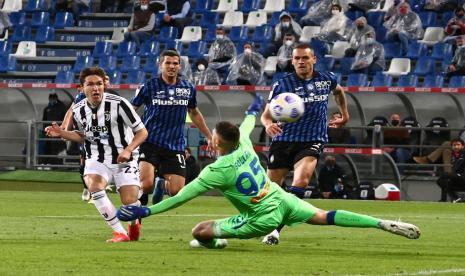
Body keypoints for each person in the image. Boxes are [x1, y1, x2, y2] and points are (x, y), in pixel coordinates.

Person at [116, 97, 421, 249]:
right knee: (324, 215)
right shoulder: (245, 143)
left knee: (200, 231)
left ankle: (220, 242)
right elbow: (248, 125)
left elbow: (180, 198)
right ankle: (381, 223)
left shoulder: (216, 171)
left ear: (218, 143)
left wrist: (148, 210)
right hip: (281, 197)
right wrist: (254, 109)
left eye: (212, 139)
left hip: (262, 218)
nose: (209, 140)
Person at [260, 43, 350, 245]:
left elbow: (340, 91)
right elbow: (265, 116)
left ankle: (275, 230)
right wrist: (267, 126)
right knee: (271, 190)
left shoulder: (326, 79)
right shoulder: (282, 85)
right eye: (297, 59)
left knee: (301, 182)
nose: (301, 62)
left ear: (314, 59)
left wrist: (345, 115)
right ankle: (266, 222)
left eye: (305, 58)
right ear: (292, 61)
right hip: (283, 141)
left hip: (312, 140)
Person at [45, 67, 148, 243]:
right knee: (93, 185)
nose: (96, 88)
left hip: (125, 158)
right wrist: (62, 133)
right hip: (97, 158)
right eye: (90, 84)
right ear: (82, 88)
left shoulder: (120, 104)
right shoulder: (78, 110)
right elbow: (82, 135)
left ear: (104, 85)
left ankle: (133, 222)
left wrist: (128, 149)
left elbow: (142, 132)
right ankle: (119, 232)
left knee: (129, 203)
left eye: (99, 84)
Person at [131, 50, 212, 207]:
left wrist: (208, 135)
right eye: (167, 63)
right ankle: (138, 206)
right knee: (146, 185)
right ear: (160, 65)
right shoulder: (149, 86)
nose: (172, 66)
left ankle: (160, 185)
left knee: (176, 191)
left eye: (175, 63)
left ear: (179, 66)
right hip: (150, 142)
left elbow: (194, 112)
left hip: (175, 145)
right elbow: (131, 109)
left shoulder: (188, 88)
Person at [42, 93, 68, 165]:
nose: (51, 100)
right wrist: (45, 131)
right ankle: (47, 163)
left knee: (57, 148)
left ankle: (57, 164)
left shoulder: (62, 107)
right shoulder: (47, 108)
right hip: (48, 132)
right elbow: (44, 120)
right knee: (48, 147)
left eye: (52, 98)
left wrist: (61, 130)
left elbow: (65, 120)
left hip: (58, 132)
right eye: (50, 99)